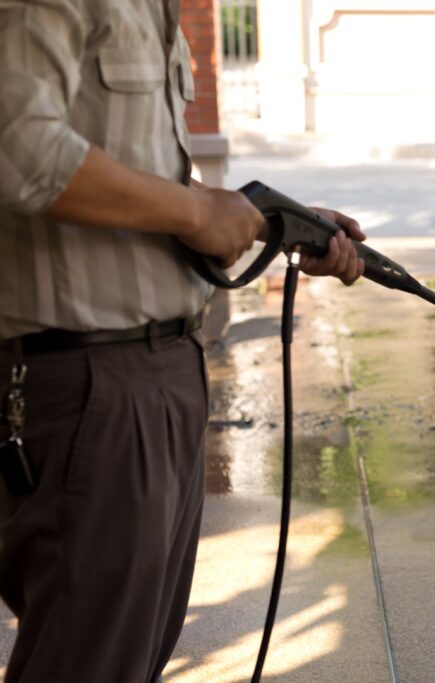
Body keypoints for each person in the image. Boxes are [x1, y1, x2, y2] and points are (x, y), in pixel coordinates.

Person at [0, 0, 365, 680]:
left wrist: (267, 223)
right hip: (88, 382)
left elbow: (137, 179)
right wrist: (197, 210)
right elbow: (17, 147)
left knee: (128, 659)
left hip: (161, 369)